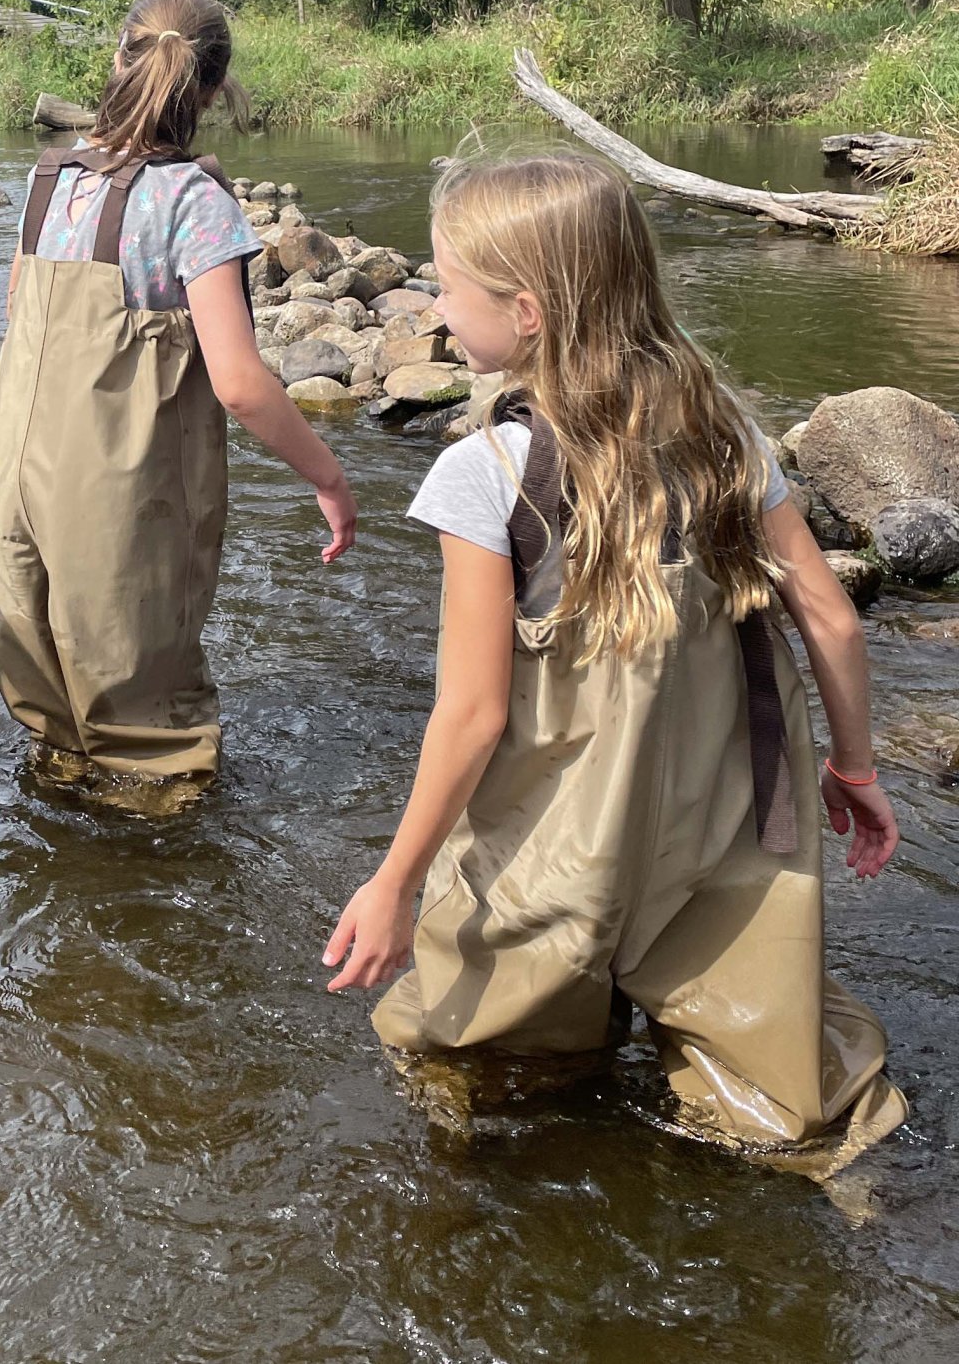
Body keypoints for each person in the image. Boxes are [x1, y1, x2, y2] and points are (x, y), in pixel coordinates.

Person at [324, 152, 906, 1163]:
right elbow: (834, 623)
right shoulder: (726, 433)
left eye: (449, 284)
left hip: (563, 853)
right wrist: (854, 770)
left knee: (472, 1063)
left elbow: (473, 715)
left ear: (530, 310)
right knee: (784, 1092)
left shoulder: (489, 472)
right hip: (718, 831)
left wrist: (396, 878)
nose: (435, 304)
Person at [0, 0, 358, 794]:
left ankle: (59, 807)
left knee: (49, 678)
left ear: (117, 58)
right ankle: (152, 858)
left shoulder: (48, 178)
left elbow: (20, 312)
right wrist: (328, 477)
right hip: (121, 491)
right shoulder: (194, 201)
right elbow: (240, 384)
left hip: (19, 475)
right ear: (217, 92)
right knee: (144, 709)